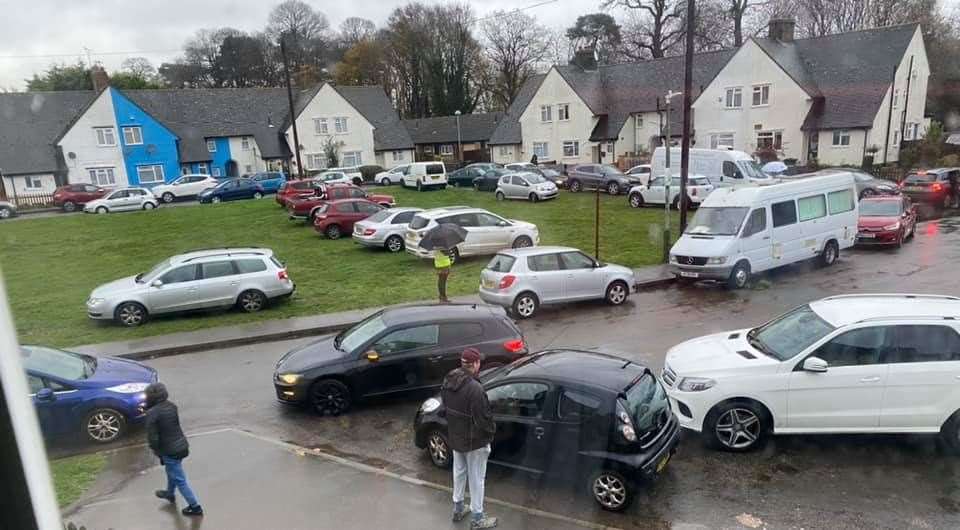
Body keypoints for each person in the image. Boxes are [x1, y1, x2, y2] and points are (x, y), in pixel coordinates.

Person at [441, 348, 497, 529]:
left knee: (459, 473)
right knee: (477, 479)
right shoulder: (475, 389)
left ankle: (458, 508)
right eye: (479, 361)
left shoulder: (449, 379)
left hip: (456, 437)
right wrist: (490, 435)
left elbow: (445, 406)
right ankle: (477, 518)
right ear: (474, 365)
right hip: (475, 442)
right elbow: (484, 420)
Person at [145, 382, 203, 517]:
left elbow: (153, 438)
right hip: (182, 446)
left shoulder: (152, 413)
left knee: (180, 479)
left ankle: (195, 507)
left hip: (169, 450)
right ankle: (169, 493)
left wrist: (156, 451)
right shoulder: (172, 406)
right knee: (172, 471)